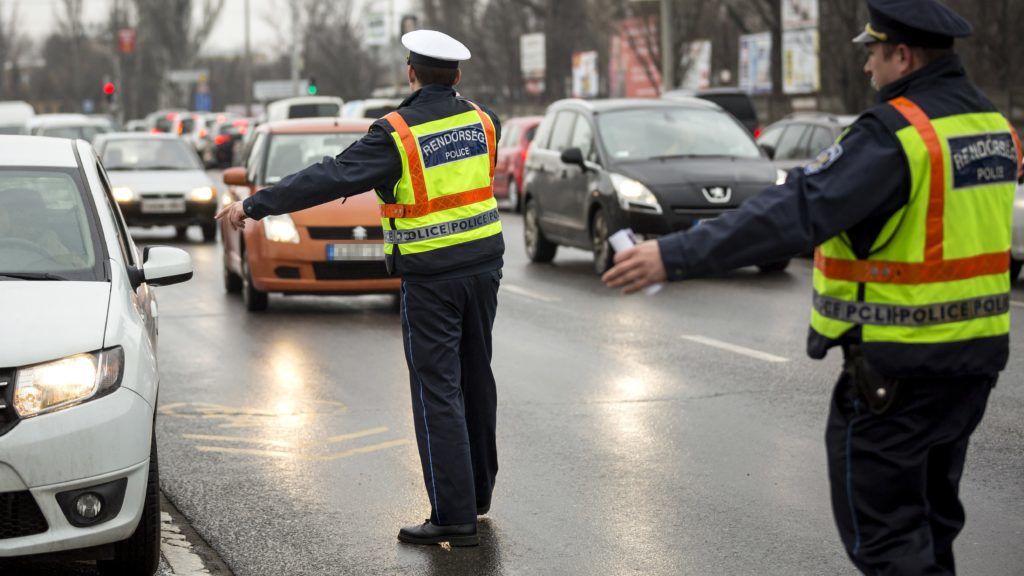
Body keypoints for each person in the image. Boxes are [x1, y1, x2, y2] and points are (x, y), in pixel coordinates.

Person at [603, 0, 1019, 573]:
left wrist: (672, 255)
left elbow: (794, 212)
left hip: (900, 374)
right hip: (973, 362)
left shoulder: (896, 134)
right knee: (933, 524)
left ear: (903, 54)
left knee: (889, 541)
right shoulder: (990, 124)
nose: (868, 68)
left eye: (873, 53)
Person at [216, 29, 503, 548]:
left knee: (438, 389)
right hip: (484, 269)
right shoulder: (485, 122)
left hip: (432, 276)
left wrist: (254, 205)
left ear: (410, 74)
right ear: (457, 76)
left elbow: (330, 177)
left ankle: (454, 515)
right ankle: (477, 497)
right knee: (476, 379)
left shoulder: (396, 132)